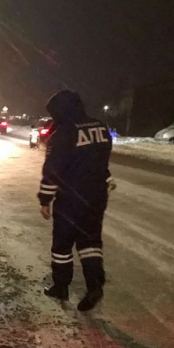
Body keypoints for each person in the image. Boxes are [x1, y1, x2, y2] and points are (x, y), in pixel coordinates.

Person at [38, 90, 115, 312]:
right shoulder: (100, 127)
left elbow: (53, 170)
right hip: (96, 197)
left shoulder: (64, 132)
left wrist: (45, 199)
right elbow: (99, 162)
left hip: (71, 198)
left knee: (62, 245)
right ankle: (94, 286)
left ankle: (61, 286)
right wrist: (106, 178)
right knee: (90, 243)